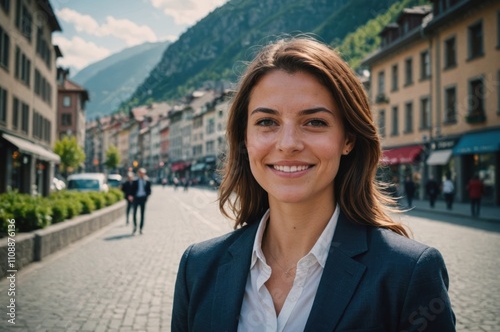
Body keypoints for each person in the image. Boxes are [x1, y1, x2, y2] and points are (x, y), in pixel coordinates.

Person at [171, 37, 455, 331]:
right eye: (267, 122)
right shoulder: (199, 267)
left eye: (315, 122)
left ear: (348, 139)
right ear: (245, 138)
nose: (288, 144)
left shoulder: (407, 274)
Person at [131, 168, 152, 235]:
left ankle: (141, 228)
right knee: (134, 213)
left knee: (142, 214)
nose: (141, 174)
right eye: (140, 173)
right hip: (136, 198)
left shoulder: (147, 181)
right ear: (138, 173)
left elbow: (149, 190)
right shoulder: (135, 181)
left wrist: (146, 196)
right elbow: (132, 190)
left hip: (143, 199)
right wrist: (132, 196)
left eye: (142, 173)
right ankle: (135, 227)